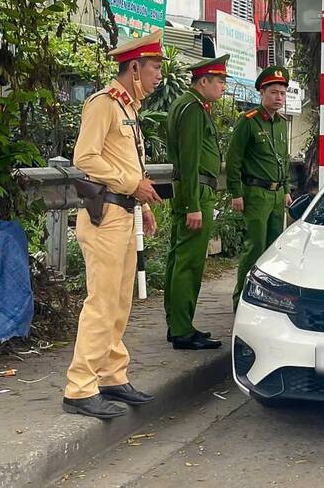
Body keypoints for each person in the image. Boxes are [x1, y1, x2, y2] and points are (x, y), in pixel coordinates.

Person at [63, 31, 164, 419]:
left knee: (120, 303)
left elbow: (128, 164)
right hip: (103, 217)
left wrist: (142, 202)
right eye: (154, 68)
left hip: (124, 213)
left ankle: (111, 375)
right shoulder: (103, 104)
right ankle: (79, 387)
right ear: (134, 67)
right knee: (101, 304)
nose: (158, 76)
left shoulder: (129, 108)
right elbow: (85, 157)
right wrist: (131, 184)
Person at [163, 55, 228, 349]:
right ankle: (181, 330)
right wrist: (193, 205)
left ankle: (178, 323)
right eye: (220, 81)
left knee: (180, 259)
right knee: (188, 262)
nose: (224, 87)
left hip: (195, 189)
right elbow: (189, 160)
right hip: (196, 190)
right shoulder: (192, 109)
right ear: (204, 82)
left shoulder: (191, 105)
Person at [226, 65, 292, 309]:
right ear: (262, 93)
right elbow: (234, 160)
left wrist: (286, 190)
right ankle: (241, 303)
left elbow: (283, 159)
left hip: (276, 195)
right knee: (254, 248)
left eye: (283, 93)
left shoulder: (282, 123)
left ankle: (269, 302)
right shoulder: (249, 122)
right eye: (274, 92)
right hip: (255, 193)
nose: (278, 98)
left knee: (274, 250)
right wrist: (236, 192)